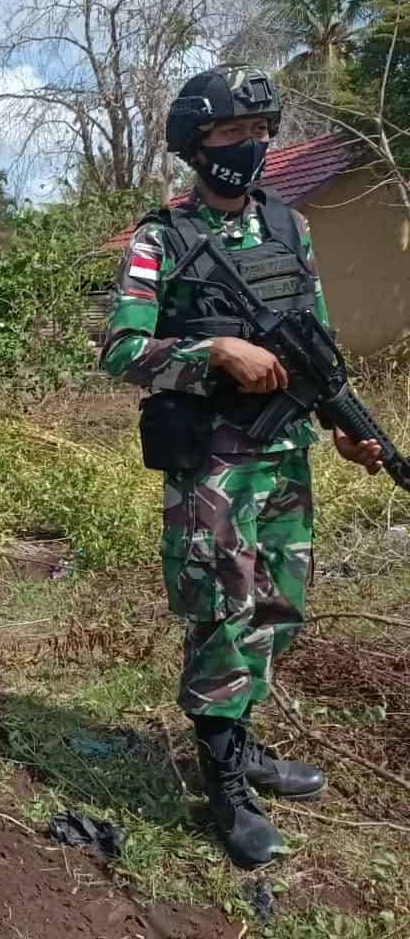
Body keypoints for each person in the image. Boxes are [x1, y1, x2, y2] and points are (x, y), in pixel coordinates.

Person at [101, 65, 383, 869]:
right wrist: (211, 350)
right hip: (214, 465)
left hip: (287, 453)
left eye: (262, 133)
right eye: (233, 135)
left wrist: (345, 426)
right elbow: (122, 350)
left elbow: (316, 350)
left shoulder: (291, 231)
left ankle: (244, 741)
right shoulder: (161, 242)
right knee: (221, 608)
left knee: (279, 604)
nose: (252, 148)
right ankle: (223, 780)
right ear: (196, 144)